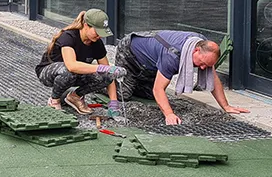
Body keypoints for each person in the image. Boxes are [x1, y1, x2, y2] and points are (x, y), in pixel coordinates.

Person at [115, 30, 249, 125]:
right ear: (196, 51)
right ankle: (99, 79)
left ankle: (137, 81)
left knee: (150, 95)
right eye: (202, 64)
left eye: (206, 65)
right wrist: (169, 114)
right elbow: (158, 89)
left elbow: (213, 78)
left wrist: (226, 106)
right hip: (130, 51)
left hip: (150, 64)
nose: (202, 68)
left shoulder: (201, 44)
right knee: (123, 94)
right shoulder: (172, 56)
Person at [35, 9, 126, 115]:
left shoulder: (96, 43)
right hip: (48, 73)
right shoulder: (69, 37)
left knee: (107, 75)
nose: (99, 36)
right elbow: (71, 66)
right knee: (68, 71)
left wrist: (113, 103)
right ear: (86, 25)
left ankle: (75, 97)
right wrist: (102, 68)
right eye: (97, 32)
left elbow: (109, 73)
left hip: (74, 74)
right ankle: (54, 101)